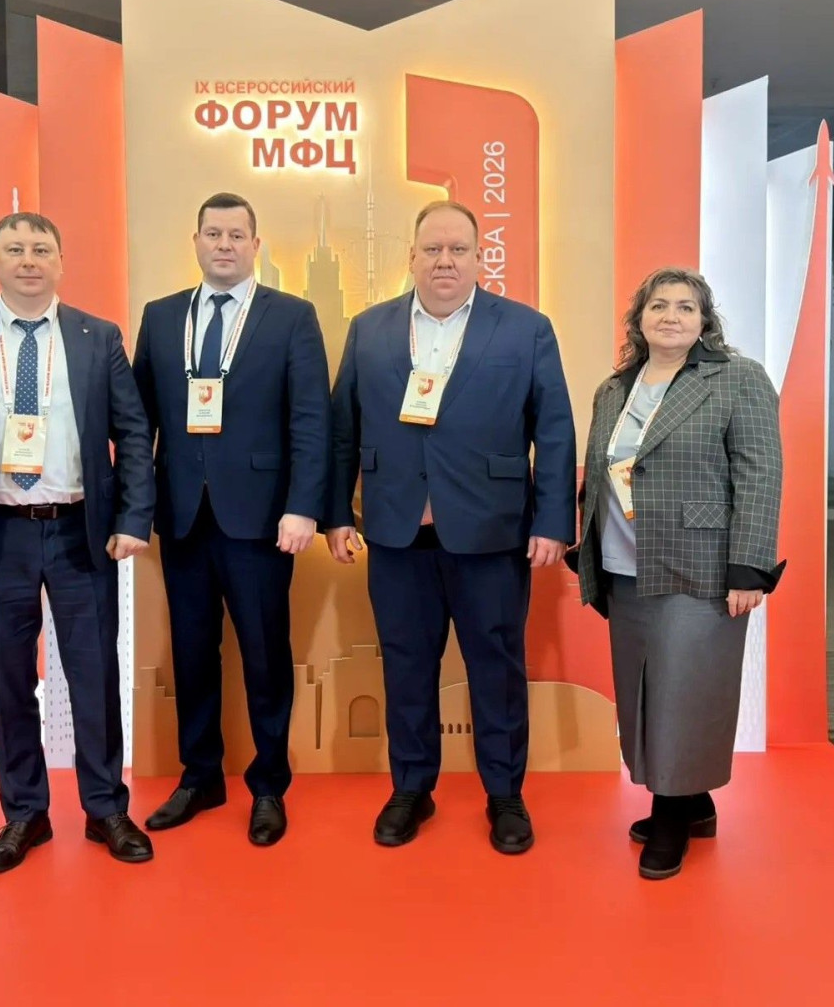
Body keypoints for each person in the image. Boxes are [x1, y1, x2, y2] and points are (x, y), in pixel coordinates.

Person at [0, 211, 157, 874]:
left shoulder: (98, 337)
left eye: (42, 248)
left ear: (61, 261)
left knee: (95, 676)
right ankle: (24, 812)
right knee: (9, 679)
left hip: (80, 532)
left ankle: (105, 808)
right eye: (14, 248)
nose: (28, 260)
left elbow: (133, 434)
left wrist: (134, 517)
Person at [325, 200, 575, 855]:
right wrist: (335, 512)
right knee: (406, 666)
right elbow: (343, 429)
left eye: (458, 249)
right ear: (411, 256)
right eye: (432, 249)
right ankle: (412, 787)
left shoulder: (526, 329)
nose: (444, 261)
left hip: (493, 533)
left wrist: (553, 519)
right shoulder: (369, 328)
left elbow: (554, 431)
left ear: (479, 257)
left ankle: (505, 793)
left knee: (497, 668)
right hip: (395, 531)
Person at [571, 267, 783, 880]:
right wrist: (584, 547)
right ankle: (694, 803)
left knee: (684, 691)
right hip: (624, 564)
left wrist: (750, 566)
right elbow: (600, 471)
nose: (671, 316)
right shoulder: (615, 388)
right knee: (644, 689)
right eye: (658, 305)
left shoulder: (737, 378)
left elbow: (760, 474)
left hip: (702, 564)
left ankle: (669, 815)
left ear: (704, 320)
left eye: (686, 307)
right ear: (639, 319)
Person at [132, 193, 329, 847]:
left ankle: (269, 785)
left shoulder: (292, 316)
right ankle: (200, 776)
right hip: (182, 516)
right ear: (195, 241)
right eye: (213, 233)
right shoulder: (161, 317)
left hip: (264, 520)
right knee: (192, 655)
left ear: (255, 245)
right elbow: (138, 424)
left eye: (236, 235)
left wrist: (303, 505)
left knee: (266, 656)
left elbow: (311, 420)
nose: (224, 244)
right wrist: (135, 508)